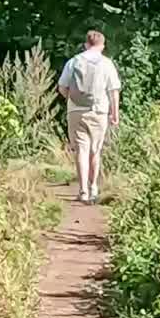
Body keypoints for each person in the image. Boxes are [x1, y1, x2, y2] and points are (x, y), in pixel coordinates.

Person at [58, 30, 121, 203]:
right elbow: (113, 91)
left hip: (76, 111)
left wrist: (72, 99)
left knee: (81, 150)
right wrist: (114, 113)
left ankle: (83, 190)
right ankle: (93, 188)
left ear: (86, 44)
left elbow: (62, 87)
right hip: (99, 111)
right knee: (95, 151)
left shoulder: (74, 62)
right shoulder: (107, 64)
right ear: (102, 46)